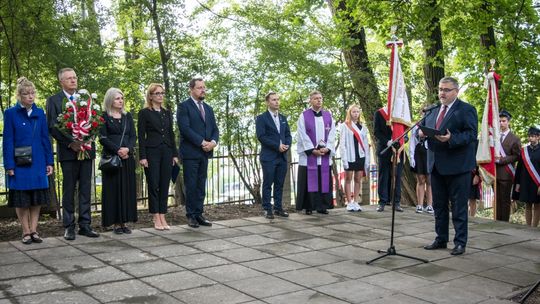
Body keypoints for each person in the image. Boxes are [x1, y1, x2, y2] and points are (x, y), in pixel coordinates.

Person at [422, 76, 478, 256]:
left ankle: (460, 242)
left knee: (458, 206)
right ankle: (441, 238)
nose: (442, 93)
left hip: (458, 166)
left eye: (446, 90)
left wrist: (451, 138)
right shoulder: (433, 110)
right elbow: (424, 129)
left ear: (456, 91)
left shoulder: (466, 110)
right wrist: (422, 135)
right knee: (439, 205)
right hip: (436, 165)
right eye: (440, 89)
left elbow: (471, 135)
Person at [46, 68, 99, 240]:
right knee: (69, 189)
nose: (73, 80)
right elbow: (53, 126)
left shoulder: (86, 99)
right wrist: (71, 143)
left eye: (75, 77)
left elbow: (95, 122)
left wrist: (88, 139)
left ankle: (85, 224)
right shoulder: (54, 100)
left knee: (85, 189)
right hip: (69, 152)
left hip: (87, 150)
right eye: (69, 78)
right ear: (61, 81)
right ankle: (69, 226)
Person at [3, 77, 54, 244]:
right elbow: (8, 140)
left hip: (38, 161)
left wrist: (49, 162)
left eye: (32, 93)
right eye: (26, 94)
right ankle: (25, 231)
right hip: (19, 162)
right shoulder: (10, 113)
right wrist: (9, 165)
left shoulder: (40, 113)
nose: (30, 96)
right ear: (19, 95)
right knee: (22, 198)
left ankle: (34, 230)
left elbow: (45, 139)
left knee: (36, 198)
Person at [177, 78, 219, 228]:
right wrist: (202, 142)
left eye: (204, 88)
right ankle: (191, 216)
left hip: (205, 153)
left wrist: (213, 143)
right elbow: (185, 129)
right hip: (190, 153)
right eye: (199, 88)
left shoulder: (208, 108)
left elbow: (215, 129)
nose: (203, 90)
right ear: (191, 89)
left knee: (201, 184)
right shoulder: (184, 107)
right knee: (191, 184)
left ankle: (199, 213)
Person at [138, 83, 178, 230]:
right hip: (151, 153)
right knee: (154, 184)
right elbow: (141, 136)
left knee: (164, 184)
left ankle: (163, 215)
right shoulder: (144, 113)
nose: (160, 95)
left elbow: (171, 134)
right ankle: (156, 217)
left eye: (162, 93)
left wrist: (174, 154)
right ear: (150, 96)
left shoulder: (167, 112)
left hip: (167, 152)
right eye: (157, 93)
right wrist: (142, 156)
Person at [99, 88, 137, 234]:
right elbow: (103, 138)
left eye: (121, 98)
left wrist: (127, 149)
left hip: (127, 157)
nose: (120, 100)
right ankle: (115, 222)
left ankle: (124, 222)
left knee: (126, 189)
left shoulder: (127, 116)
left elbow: (133, 136)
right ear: (110, 100)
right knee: (113, 190)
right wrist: (118, 150)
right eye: (117, 98)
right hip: (112, 159)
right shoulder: (103, 117)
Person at [296, 91, 336, 215]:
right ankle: (309, 206)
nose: (319, 100)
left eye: (320, 98)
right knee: (309, 180)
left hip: (323, 155)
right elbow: (302, 134)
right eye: (316, 98)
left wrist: (327, 148)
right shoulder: (304, 116)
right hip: (310, 156)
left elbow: (332, 134)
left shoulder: (328, 115)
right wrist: (311, 150)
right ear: (310, 101)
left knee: (323, 180)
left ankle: (322, 206)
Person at [255, 92, 292, 219]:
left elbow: (288, 134)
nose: (277, 102)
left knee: (279, 183)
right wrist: (277, 146)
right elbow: (261, 136)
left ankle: (278, 207)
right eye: (273, 100)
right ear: (267, 102)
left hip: (282, 156)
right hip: (269, 156)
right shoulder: (261, 118)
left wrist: (287, 145)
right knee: (268, 183)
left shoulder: (283, 118)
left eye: (278, 99)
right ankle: (267, 208)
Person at [374, 107, 405, 212]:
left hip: (398, 149)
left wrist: (403, 139)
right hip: (384, 148)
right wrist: (387, 142)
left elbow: (405, 130)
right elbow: (376, 132)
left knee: (397, 176)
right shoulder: (380, 113)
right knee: (384, 175)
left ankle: (396, 202)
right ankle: (382, 202)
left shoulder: (401, 114)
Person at [339, 104, 370, 212]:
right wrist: (344, 159)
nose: (356, 114)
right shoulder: (345, 126)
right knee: (348, 179)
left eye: (357, 112)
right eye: (354, 112)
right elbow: (342, 144)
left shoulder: (363, 127)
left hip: (360, 156)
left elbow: (366, 144)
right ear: (350, 113)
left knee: (358, 179)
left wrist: (367, 158)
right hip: (350, 156)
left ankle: (356, 202)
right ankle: (349, 202)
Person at [495, 110, 521, 221]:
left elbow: (517, 156)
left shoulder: (515, 139)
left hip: (506, 173)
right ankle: (497, 221)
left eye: (504, 121)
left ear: (508, 122)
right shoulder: (495, 137)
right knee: (497, 200)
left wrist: (502, 160)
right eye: (500, 121)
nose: (501, 123)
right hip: (495, 173)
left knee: (505, 200)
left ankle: (504, 223)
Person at [512, 126, 540, 227]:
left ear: (538, 137)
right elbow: (519, 169)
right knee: (528, 204)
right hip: (525, 182)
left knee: (537, 205)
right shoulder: (524, 151)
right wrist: (518, 183)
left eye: (533, 136)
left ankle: (534, 226)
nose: (530, 138)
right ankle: (528, 227)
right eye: (529, 136)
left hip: (537, 183)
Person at [409, 122, 433, 215]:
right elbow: (412, 142)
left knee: (430, 180)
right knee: (421, 180)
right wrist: (411, 157)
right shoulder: (416, 126)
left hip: (429, 153)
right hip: (419, 153)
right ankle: (419, 204)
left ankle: (430, 205)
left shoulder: (433, 125)